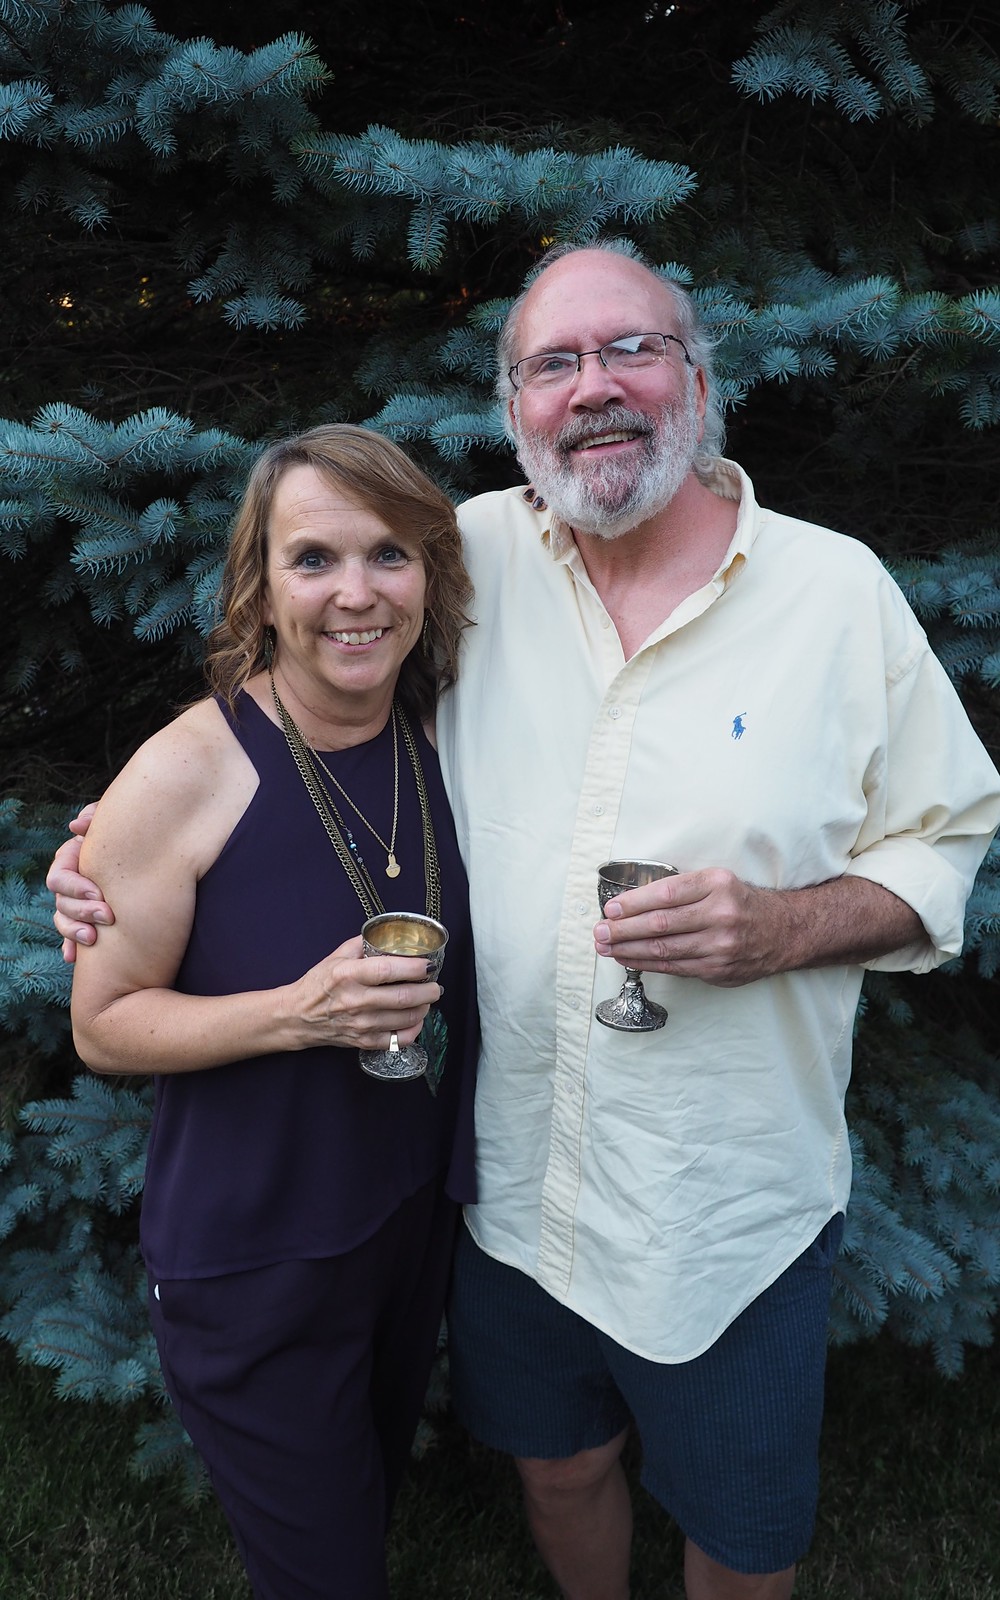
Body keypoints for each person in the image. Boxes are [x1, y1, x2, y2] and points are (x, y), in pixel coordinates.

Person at [52, 243, 1000, 1600]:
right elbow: (307, 687)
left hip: (721, 1208)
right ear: (514, 409)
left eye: (632, 349)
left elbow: (947, 834)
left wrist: (785, 929)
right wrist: (121, 836)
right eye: (554, 362)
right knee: (557, 1470)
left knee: (742, 1537)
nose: (594, 386)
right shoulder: (469, 557)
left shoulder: (835, 594)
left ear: (700, 379)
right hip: (512, 1194)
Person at [64, 423, 478, 1600]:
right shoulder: (188, 771)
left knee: (361, 1516)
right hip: (253, 1258)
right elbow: (102, 1025)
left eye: (388, 553)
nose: (356, 593)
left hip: (403, 1226)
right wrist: (298, 1013)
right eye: (312, 559)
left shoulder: (441, 735)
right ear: (259, 585)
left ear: (430, 575)